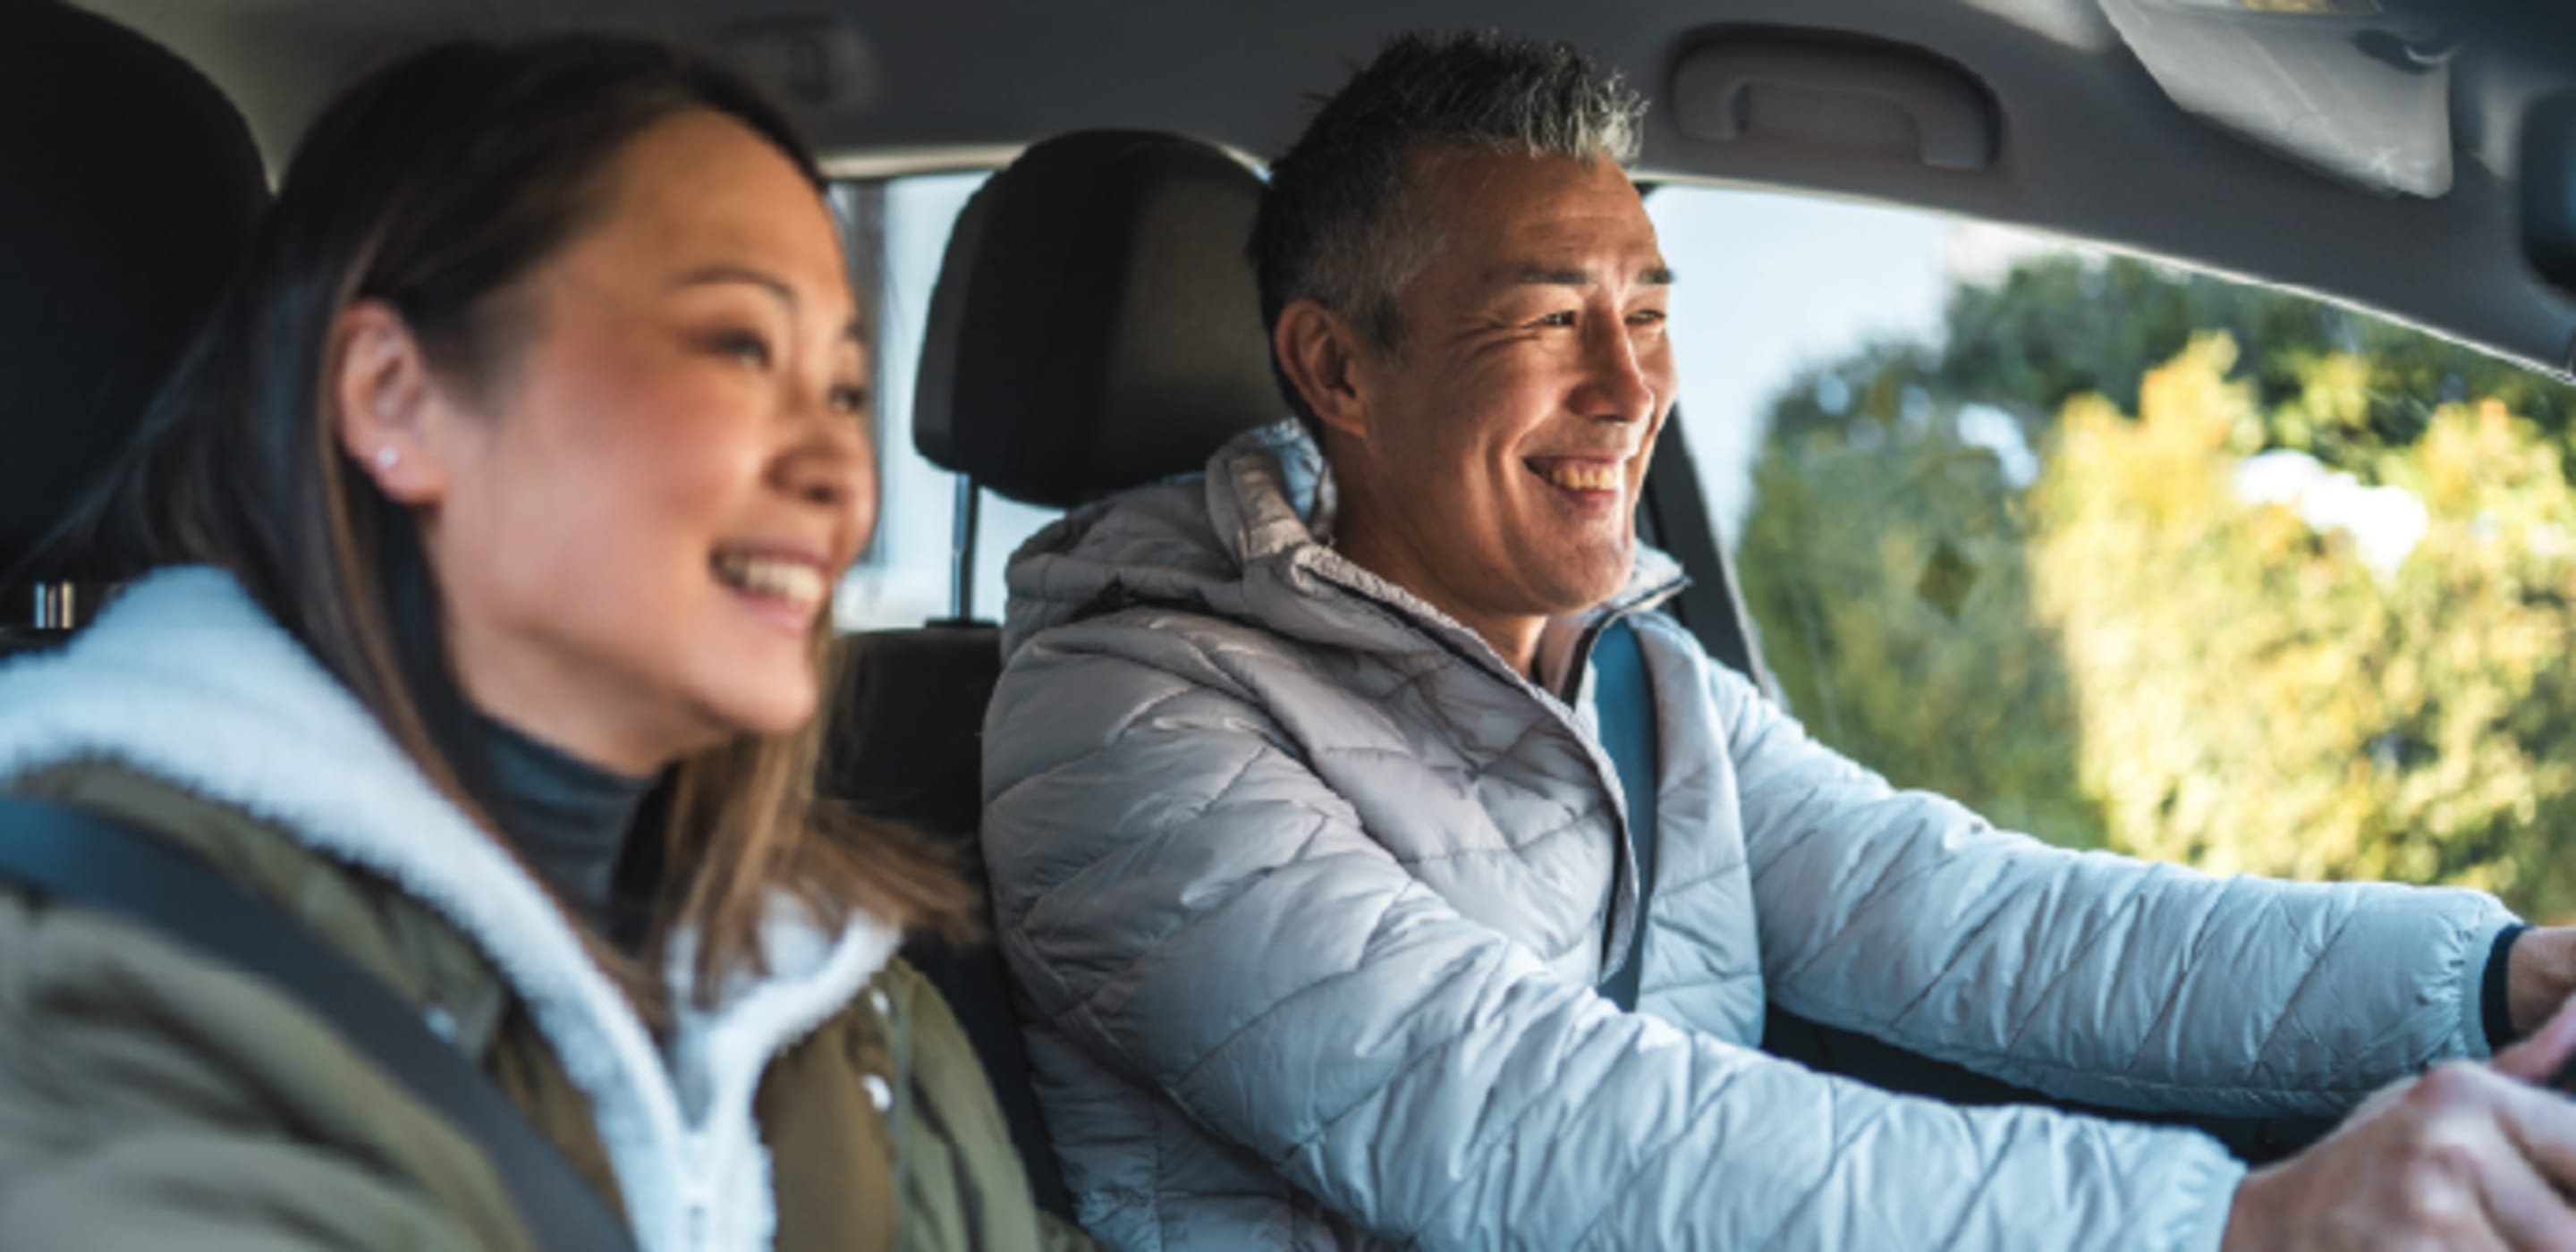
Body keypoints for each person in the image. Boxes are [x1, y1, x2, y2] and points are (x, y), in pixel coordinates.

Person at [979, 30, 2576, 1250]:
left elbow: (1998, 927)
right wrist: (2224, 1224)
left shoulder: (1640, 683)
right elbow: (1530, 1118)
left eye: (1649, 311)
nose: (1628, 385)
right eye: (1549, 318)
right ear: (1335, 367)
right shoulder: (1120, 728)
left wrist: (2496, 981)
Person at [0, 32, 1087, 1251]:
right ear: (396, 400)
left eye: (842, 391)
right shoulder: (100, 989)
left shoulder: (830, 991)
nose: (842, 474)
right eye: (739, 348)